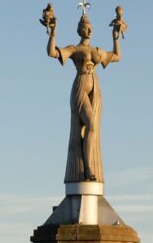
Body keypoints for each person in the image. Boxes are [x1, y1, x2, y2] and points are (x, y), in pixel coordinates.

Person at [46, 12, 122, 183]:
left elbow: (117, 56)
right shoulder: (75, 49)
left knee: (93, 128)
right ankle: (87, 169)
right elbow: (52, 52)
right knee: (91, 123)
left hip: (94, 88)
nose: (89, 30)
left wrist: (115, 36)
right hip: (81, 85)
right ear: (79, 30)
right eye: (86, 28)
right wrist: (52, 32)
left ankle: (89, 165)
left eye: (91, 28)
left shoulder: (97, 51)